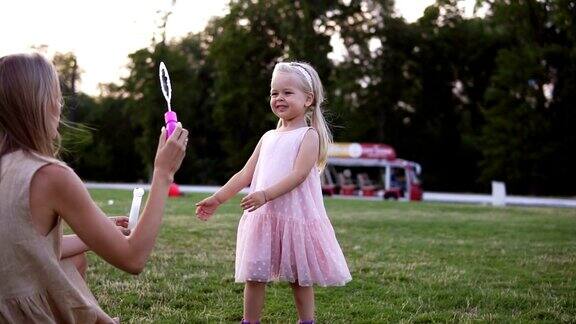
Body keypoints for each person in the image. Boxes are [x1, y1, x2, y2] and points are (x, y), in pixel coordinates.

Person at [0, 53, 188, 323]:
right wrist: (163, 174)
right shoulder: (50, 176)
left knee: (73, 261)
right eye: (56, 95)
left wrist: (95, 234)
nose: (60, 104)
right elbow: (133, 258)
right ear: (41, 105)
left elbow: (26, 250)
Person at [196, 61, 351, 324]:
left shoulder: (308, 135)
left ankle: (306, 321)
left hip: (294, 218)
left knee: (299, 278)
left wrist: (265, 194)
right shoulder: (268, 136)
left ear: (308, 99)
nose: (279, 98)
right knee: (254, 276)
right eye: (274, 92)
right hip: (264, 217)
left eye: (287, 92)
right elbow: (245, 174)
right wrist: (218, 198)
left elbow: (299, 175)